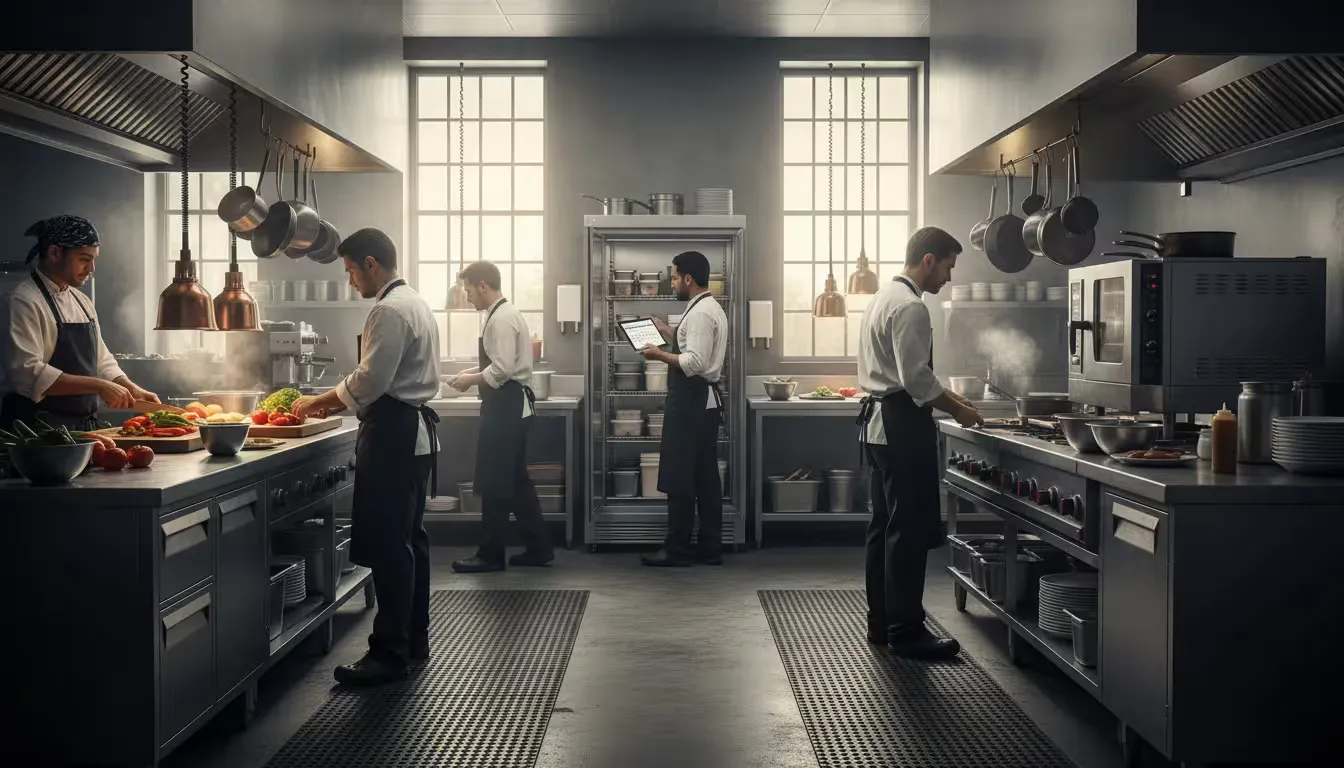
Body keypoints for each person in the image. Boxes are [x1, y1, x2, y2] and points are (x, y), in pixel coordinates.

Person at [292, 228, 440, 685]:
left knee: (391, 548)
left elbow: (370, 380)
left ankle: (388, 654)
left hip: (394, 434)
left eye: (351, 270)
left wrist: (318, 401)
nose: (351, 280)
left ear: (371, 264)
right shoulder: (414, 301)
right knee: (409, 542)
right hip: (411, 435)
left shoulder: (389, 310)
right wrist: (335, 400)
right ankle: (413, 640)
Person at [856, 226, 983, 661]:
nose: (948, 277)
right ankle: (907, 632)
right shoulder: (912, 307)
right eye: (948, 266)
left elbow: (907, 373)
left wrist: (952, 397)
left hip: (879, 425)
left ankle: (882, 623)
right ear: (928, 260)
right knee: (906, 531)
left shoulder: (883, 297)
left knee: (883, 528)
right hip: (900, 425)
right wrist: (958, 410)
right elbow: (914, 380)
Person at [1, 215, 158, 431]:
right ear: (54, 253)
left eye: (94, 259)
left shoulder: (81, 301)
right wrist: (99, 385)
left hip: (82, 429)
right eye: (84, 259)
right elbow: (26, 373)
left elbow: (102, 361)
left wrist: (131, 388)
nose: (91, 268)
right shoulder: (22, 300)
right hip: (36, 431)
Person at [447, 261, 554, 573]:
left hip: (506, 405)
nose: (467, 297)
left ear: (483, 286)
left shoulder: (500, 319)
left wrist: (470, 380)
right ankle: (539, 548)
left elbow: (502, 369)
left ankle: (490, 555)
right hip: (509, 404)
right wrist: (469, 373)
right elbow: (499, 364)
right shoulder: (503, 314)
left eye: (468, 290)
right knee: (517, 481)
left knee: (494, 480)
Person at [639, 250, 728, 567]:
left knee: (679, 474)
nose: (673, 283)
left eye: (675, 277)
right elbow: (694, 347)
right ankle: (709, 546)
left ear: (688, 279)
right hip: (701, 402)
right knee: (705, 475)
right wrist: (668, 332)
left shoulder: (701, 314)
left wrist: (658, 354)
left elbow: (695, 362)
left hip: (692, 400)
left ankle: (677, 549)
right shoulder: (706, 307)